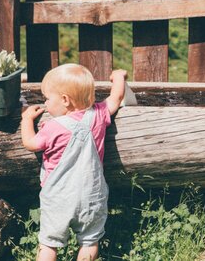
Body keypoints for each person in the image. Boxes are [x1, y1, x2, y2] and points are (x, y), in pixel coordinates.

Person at [21, 64, 127, 261]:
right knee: (89, 242)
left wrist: (26, 119)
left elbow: (30, 143)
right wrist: (119, 77)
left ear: (65, 100)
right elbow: (116, 98)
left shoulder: (52, 127)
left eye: (47, 98)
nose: (45, 102)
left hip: (58, 197)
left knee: (49, 244)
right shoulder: (98, 115)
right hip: (91, 195)